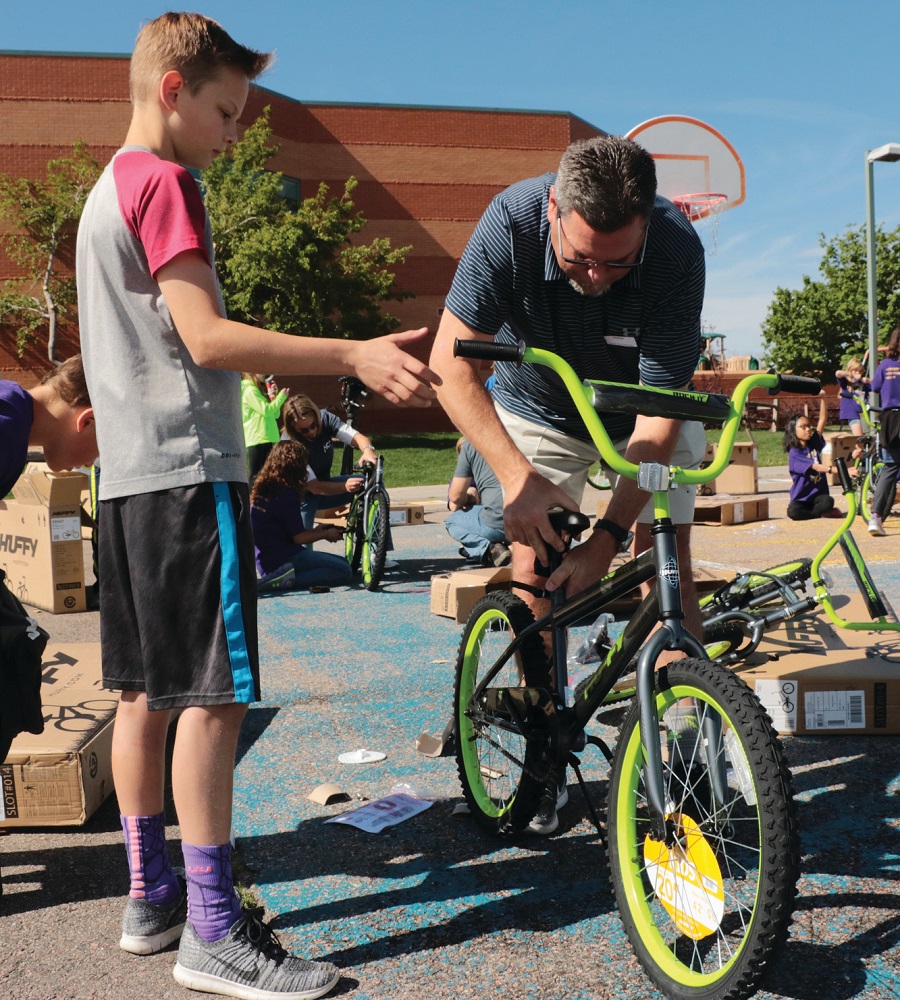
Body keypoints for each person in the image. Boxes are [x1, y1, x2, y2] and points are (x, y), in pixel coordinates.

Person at [75, 13, 437, 999]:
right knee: (214, 697)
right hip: (190, 478)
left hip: (131, 485)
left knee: (146, 695)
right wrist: (352, 353)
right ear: (173, 91)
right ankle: (213, 928)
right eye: (227, 113)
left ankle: (153, 897)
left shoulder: (103, 193)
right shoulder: (162, 182)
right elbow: (206, 337)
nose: (234, 136)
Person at [430, 134, 706, 836]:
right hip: (538, 406)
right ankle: (539, 756)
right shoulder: (511, 223)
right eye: (579, 256)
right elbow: (448, 363)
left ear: (646, 223)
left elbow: (657, 417)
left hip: (636, 411)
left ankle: (686, 755)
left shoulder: (676, 250)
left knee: (664, 564)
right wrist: (519, 483)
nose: (595, 277)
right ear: (554, 208)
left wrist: (610, 539)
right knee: (534, 564)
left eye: (617, 262)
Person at [250, 440, 352, 591]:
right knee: (344, 570)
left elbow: (290, 533)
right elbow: (299, 538)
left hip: (266, 559)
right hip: (285, 557)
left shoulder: (262, 489)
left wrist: (318, 530)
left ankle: (283, 577)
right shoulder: (287, 493)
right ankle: (287, 580)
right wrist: (325, 535)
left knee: (341, 562)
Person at [1, 355, 97, 499]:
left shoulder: (11, 412)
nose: (89, 464)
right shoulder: (7, 430)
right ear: (87, 421)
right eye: (101, 450)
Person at [281, 393, 373, 532]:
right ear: (293, 429)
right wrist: (345, 486)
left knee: (369, 483)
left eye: (314, 425)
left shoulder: (326, 418)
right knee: (303, 549)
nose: (312, 431)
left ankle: (378, 546)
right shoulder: (289, 445)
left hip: (324, 490)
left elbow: (357, 437)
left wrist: (368, 450)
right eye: (304, 430)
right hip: (300, 498)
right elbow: (315, 487)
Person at [445, 437, 509, 567]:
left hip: (499, 522)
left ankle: (489, 548)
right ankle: (494, 548)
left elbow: (455, 498)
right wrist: (470, 496)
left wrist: (469, 497)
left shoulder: (472, 445)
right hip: (532, 513)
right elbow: (453, 503)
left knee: (452, 521)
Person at [868, 325, 900, 536]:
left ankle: (875, 517)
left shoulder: (885, 365)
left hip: (889, 418)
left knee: (889, 467)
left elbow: (874, 387)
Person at [784, 394, 837, 521]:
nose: (808, 429)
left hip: (818, 497)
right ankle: (817, 514)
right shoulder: (795, 452)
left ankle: (817, 512)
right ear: (793, 430)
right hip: (802, 499)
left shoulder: (813, 443)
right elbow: (815, 466)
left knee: (828, 501)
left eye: (808, 426)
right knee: (793, 512)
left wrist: (823, 399)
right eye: (803, 427)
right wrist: (833, 470)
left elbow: (822, 421)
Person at [240, 372, 287, 483]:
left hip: (267, 437)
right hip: (258, 438)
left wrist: (273, 397)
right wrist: (281, 397)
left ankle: (264, 498)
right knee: (256, 475)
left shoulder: (257, 390)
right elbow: (266, 411)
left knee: (269, 474)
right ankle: (251, 499)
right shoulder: (249, 390)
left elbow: (275, 415)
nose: (265, 373)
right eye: (260, 370)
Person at [835, 358, 870, 440]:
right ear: (850, 369)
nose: (858, 373)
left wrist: (868, 380)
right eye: (855, 370)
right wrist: (850, 374)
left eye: (860, 371)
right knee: (859, 439)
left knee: (864, 440)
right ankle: (856, 452)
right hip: (853, 414)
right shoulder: (845, 382)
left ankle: (861, 452)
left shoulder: (863, 384)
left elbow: (876, 385)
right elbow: (838, 373)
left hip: (863, 414)